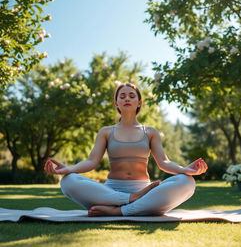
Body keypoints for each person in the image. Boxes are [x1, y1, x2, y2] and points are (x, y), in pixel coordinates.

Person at [44, 82, 208, 216]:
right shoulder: (106, 132)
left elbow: (164, 162)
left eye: (131, 95)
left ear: (139, 102)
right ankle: (131, 201)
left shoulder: (150, 132)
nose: (127, 98)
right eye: (122, 96)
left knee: (186, 181)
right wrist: (68, 169)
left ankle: (119, 210)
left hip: (144, 190)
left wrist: (185, 169)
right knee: (68, 181)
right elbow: (91, 161)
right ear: (116, 103)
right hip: (109, 192)